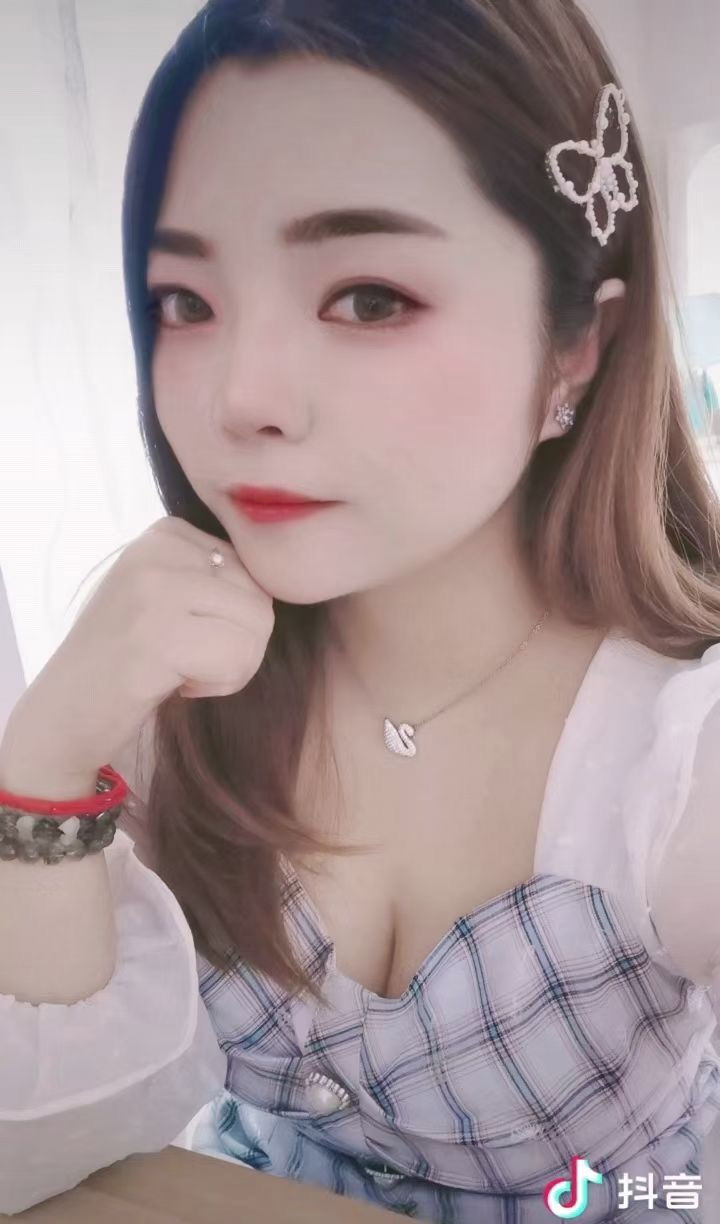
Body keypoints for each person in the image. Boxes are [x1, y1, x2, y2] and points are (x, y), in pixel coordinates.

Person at [1, 1, 719, 1220]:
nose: (242, 397)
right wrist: (46, 761)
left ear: (577, 346)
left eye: (369, 298)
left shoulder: (673, 760)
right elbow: (36, 1153)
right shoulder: (176, 689)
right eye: (185, 302)